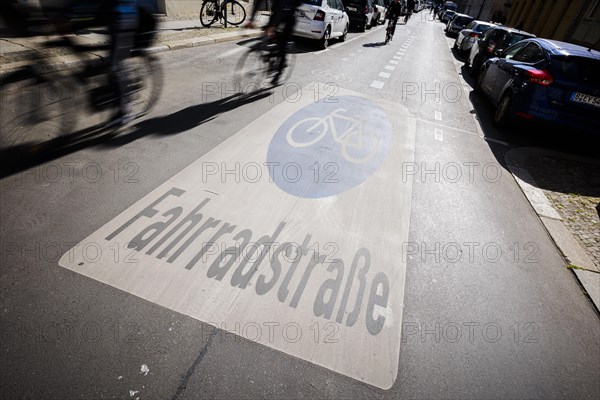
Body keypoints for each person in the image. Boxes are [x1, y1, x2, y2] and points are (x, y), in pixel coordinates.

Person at [245, 0, 301, 85]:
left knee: (282, 44)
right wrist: (251, 20)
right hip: (277, 13)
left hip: (289, 15)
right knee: (267, 35)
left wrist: (272, 26)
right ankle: (272, 56)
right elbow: (258, 2)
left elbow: (281, 6)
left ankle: (279, 71)